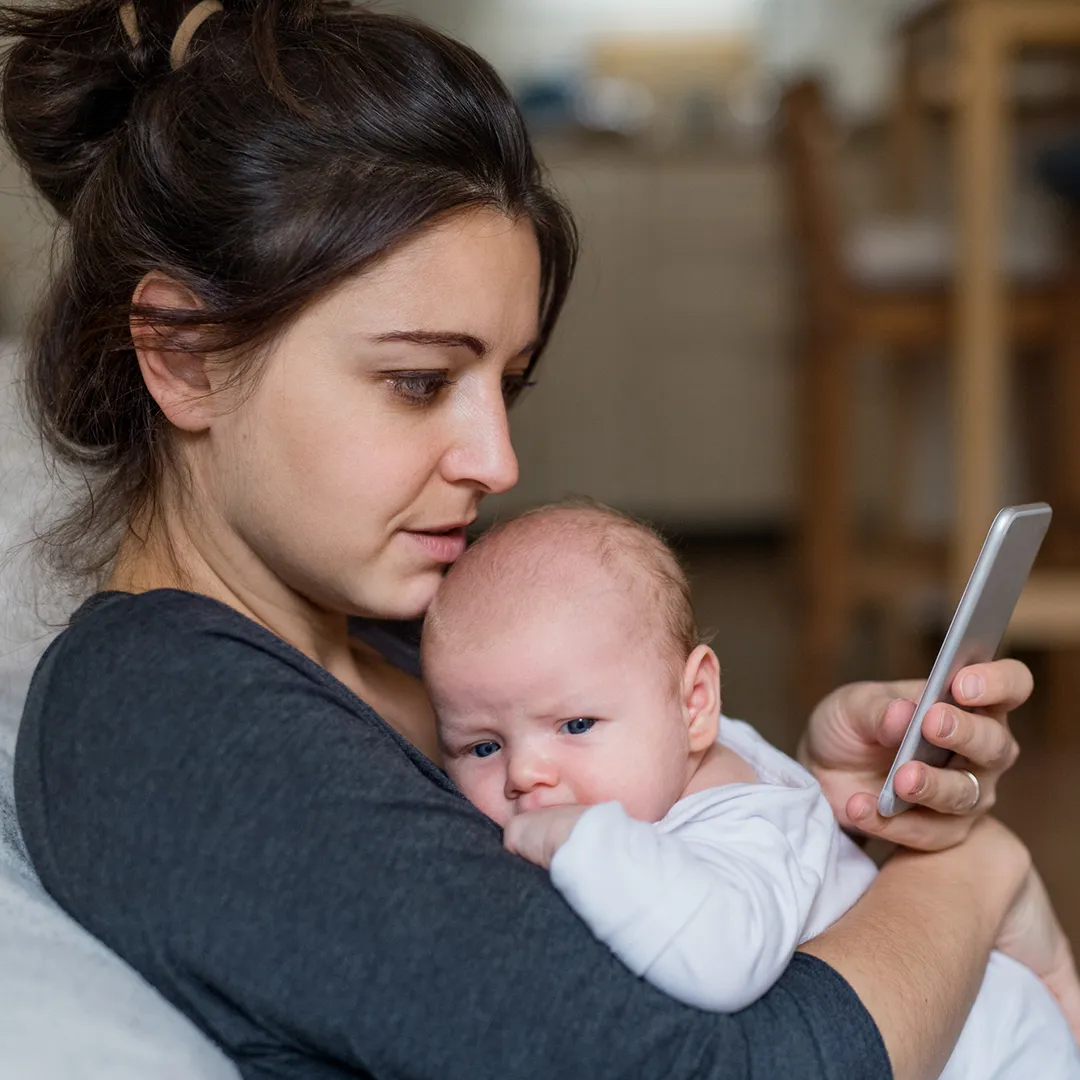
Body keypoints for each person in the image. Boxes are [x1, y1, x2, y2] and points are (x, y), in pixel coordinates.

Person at [0, 1, 1042, 1078]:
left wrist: (770, 803)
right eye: (418, 381)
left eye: (507, 382)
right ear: (182, 356)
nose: (496, 461)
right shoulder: (176, 725)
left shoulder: (405, 642)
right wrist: (972, 875)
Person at [423, 501, 1080, 1079]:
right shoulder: (670, 747)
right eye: (483, 746)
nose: (524, 774)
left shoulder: (742, 825)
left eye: (574, 724)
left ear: (694, 702)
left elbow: (718, 960)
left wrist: (580, 841)